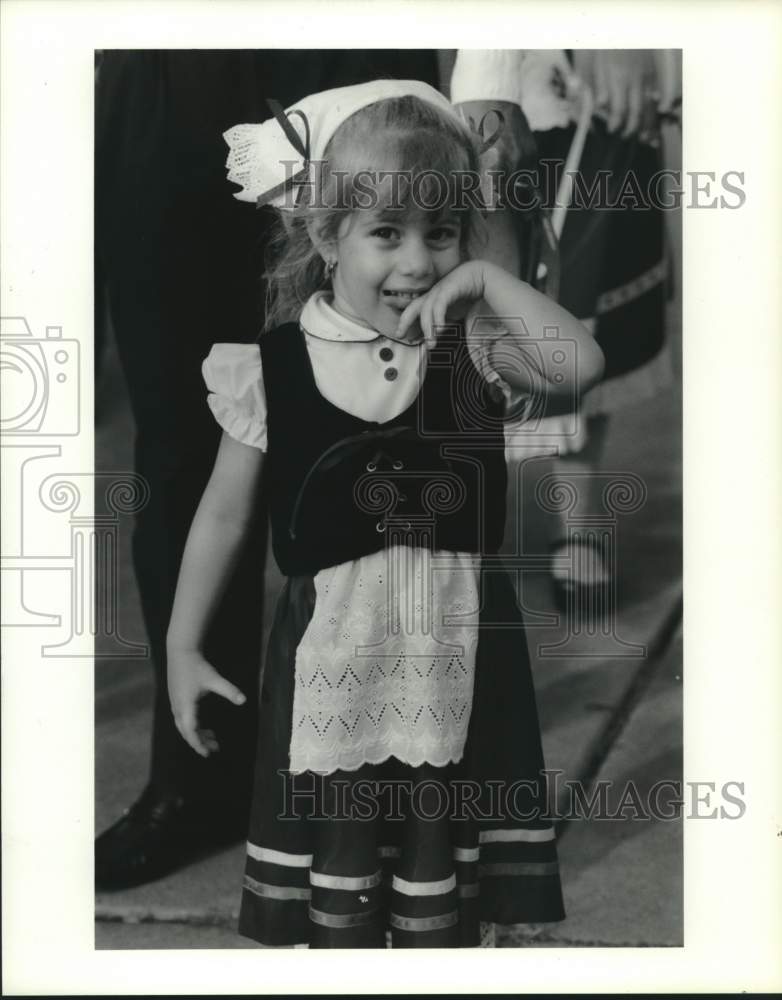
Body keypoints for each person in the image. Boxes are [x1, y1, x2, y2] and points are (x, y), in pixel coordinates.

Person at [166, 78, 604, 948]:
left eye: (442, 235)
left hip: (460, 655)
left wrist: (486, 276)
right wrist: (181, 646)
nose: (417, 263)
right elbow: (222, 515)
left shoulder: (474, 342)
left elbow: (580, 364)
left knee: (443, 889)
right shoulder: (273, 367)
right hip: (334, 660)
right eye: (386, 234)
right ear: (326, 235)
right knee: (343, 884)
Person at [94, 50, 441, 890]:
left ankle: (381, 765)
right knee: (182, 439)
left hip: (347, 52)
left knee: (388, 416)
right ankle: (197, 772)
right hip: (165, 67)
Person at [449, 49, 680, 607]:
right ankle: (459, 531)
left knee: (576, 290)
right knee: (463, 310)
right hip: (466, 63)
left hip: (569, 70)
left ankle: (577, 524)